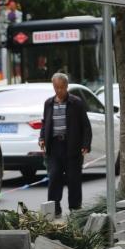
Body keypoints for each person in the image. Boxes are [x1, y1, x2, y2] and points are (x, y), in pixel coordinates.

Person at [38, 72, 92, 218]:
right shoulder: (48, 103)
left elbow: (86, 125)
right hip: (54, 146)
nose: (59, 90)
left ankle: (75, 208)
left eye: (61, 87)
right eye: (56, 87)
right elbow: (45, 123)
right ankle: (54, 207)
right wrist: (42, 137)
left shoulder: (76, 103)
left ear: (66, 87)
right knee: (54, 176)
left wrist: (86, 144)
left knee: (73, 178)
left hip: (72, 145)